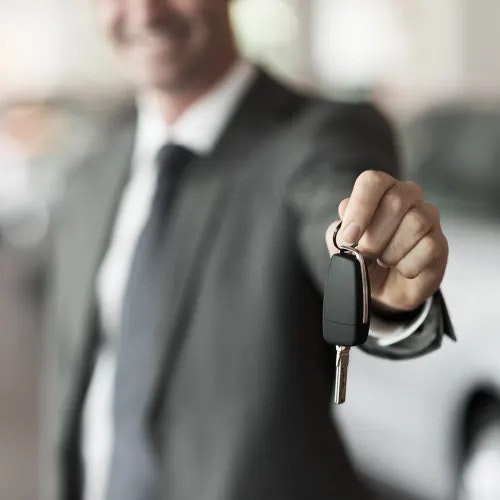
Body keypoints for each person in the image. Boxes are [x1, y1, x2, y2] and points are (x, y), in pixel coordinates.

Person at [41, 1, 455, 499]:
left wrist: (379, 280)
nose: (145, 12)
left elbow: (338, 210)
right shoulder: (93, 166)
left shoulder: (322, 137)